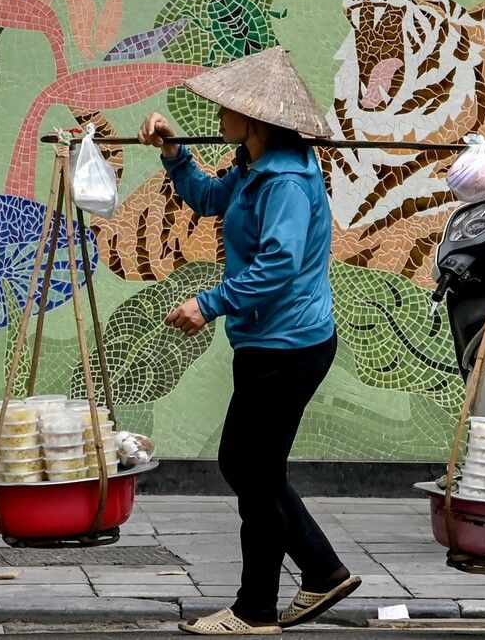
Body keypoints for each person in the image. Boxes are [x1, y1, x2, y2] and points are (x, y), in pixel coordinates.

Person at [138, 105, 361, 636]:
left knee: (249, 469)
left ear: (255, 120)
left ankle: (256, 609)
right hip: (270, 341)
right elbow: (212, 198)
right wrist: (175, 153)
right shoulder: (254, 164)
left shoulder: (283, 179)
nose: (217, 116)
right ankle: (321, 571)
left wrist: (210, 303)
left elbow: (279, 265)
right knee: (253, 471)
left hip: (287, 347)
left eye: (226, 111)